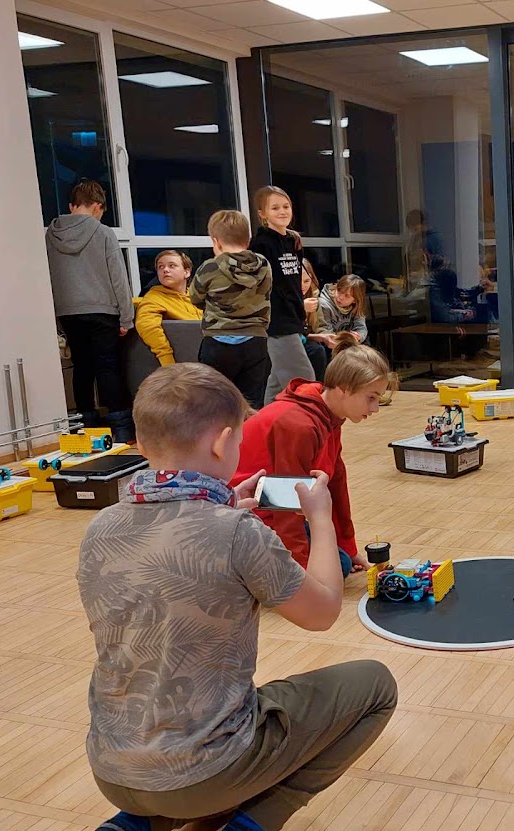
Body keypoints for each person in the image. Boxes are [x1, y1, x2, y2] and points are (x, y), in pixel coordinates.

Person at [79, 363, 396, 831]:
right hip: (203, 773)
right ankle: (251, 823)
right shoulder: (237, 532)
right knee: (376, 685)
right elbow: (324, 611)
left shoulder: (100, 527)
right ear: (223, 443)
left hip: (109, 768)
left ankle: (137, 822)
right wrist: (320, 519)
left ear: (142, 444)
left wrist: (225, 508)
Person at [231, 333, 391, 572]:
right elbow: (283, 501)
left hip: (270, 507)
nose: (375, 408)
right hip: (243, 513)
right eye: (371, 398)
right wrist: (303, 572)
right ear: (343, 389)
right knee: (333, 566)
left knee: (340, 561)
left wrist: (348, 546)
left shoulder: (330, 415)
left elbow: (336, 483)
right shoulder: (300, 425)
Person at [45, 179, 135, 441]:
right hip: (102, 310)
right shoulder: (103, 232)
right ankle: (121, 428)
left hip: (67, 311)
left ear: (72, 206)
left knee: (82, 368)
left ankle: (84, 428)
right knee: (107, 366)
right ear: (97, 206)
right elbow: (118, 277)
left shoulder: (51, 235)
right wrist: (126, 317)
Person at [191, 210, 273, 411]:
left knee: (214, 404)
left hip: (218, 342)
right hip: (256, 341)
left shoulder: (209, 267)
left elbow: (195, 298)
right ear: (248, 240)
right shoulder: (263, 265)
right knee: (252, 404)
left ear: (216, 241)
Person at [251, 185, 315, 405]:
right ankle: (307, 421)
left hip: (293, 316)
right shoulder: (260, 244)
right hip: (276, 320)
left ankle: (263, 421)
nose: (282, 211)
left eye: (286, 206)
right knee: (303, 380)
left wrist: (300, 309)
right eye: (275, 208)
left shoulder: (293, 241)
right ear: (262, 214)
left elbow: (293, 282)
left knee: (278, 381)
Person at [133, 250, 202, 367]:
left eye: (172, 266)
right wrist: (167, 360)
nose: (165, 270)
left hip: (206, 359)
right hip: (181, 363)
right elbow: (147, 325)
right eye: (161, 267)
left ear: (186, 272)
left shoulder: (198, 296)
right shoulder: (154, 297)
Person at [317, 272, 369, 343]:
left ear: (355, 300)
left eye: (347, 296)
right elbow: (327, 334)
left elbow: (361, 328)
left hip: (349, 342)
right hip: (332, 344)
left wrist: (358, 336)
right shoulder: (324, 304)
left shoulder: (356, 307)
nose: (340, 297)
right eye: (339, 291)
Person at [300, 260, 330, 381]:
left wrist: (327, 336)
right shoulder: (284, 298)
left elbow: (320, 326)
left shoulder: (313, 296)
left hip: (307, 338)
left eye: (307, 281)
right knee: (316, 351)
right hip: (289, 340)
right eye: (298, 281)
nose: (303, 286)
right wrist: (301, 308)